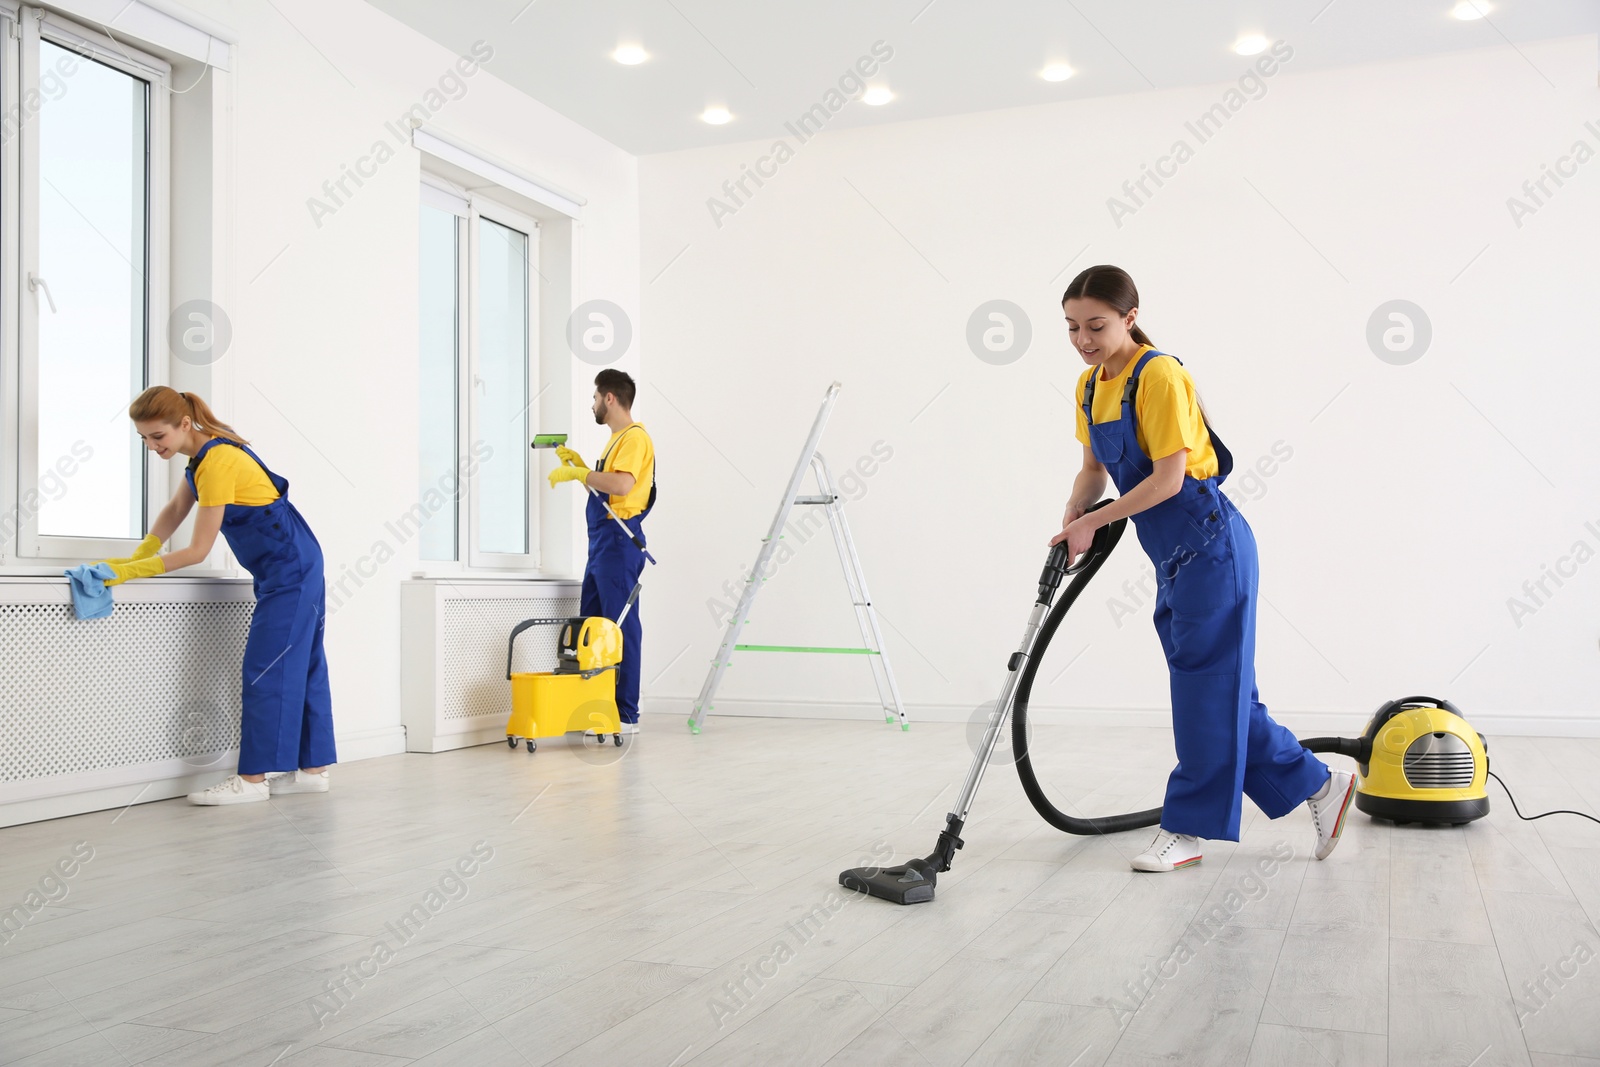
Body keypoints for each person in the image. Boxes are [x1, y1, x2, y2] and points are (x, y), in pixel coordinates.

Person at [1052, 266, 1353, 872]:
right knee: (1219, 686)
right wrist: (1074, 515)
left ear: (1129, 318)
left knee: (1202, 687)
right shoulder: (1090, 386)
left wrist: (1100, 521)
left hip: (1210, 543)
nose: (1083, 339)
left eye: (1097, 325)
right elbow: (1093, 469)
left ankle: (1186, 830)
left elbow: (1167, 479)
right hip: (1169, 552)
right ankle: (1320, 786)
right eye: (1072, 327)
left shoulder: (1158, 373)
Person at [100, 387, 335, 805]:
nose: (153, 446)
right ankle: (312, 771)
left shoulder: (220, 461)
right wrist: (139, 553)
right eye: (145, 439)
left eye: (158, 437)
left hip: (292, 571)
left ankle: (251, 781)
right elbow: (175, 511)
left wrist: (128, 573)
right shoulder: (200, 461)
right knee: (303, 663)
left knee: (265, 670)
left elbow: (197, 551)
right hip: (291, 566)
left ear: (184, 425)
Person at [547, 370, 655, 734]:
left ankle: (625, 714)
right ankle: (590, 708)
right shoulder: (615, 441)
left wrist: (581, 475)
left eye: (595, 397)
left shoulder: (635, 438)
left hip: (619, 544)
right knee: (591, 628)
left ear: (609, 398)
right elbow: (606, 489)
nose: (592, 404)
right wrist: (582, 468)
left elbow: (623, 485)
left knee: (619, 629)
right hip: (601, 546)